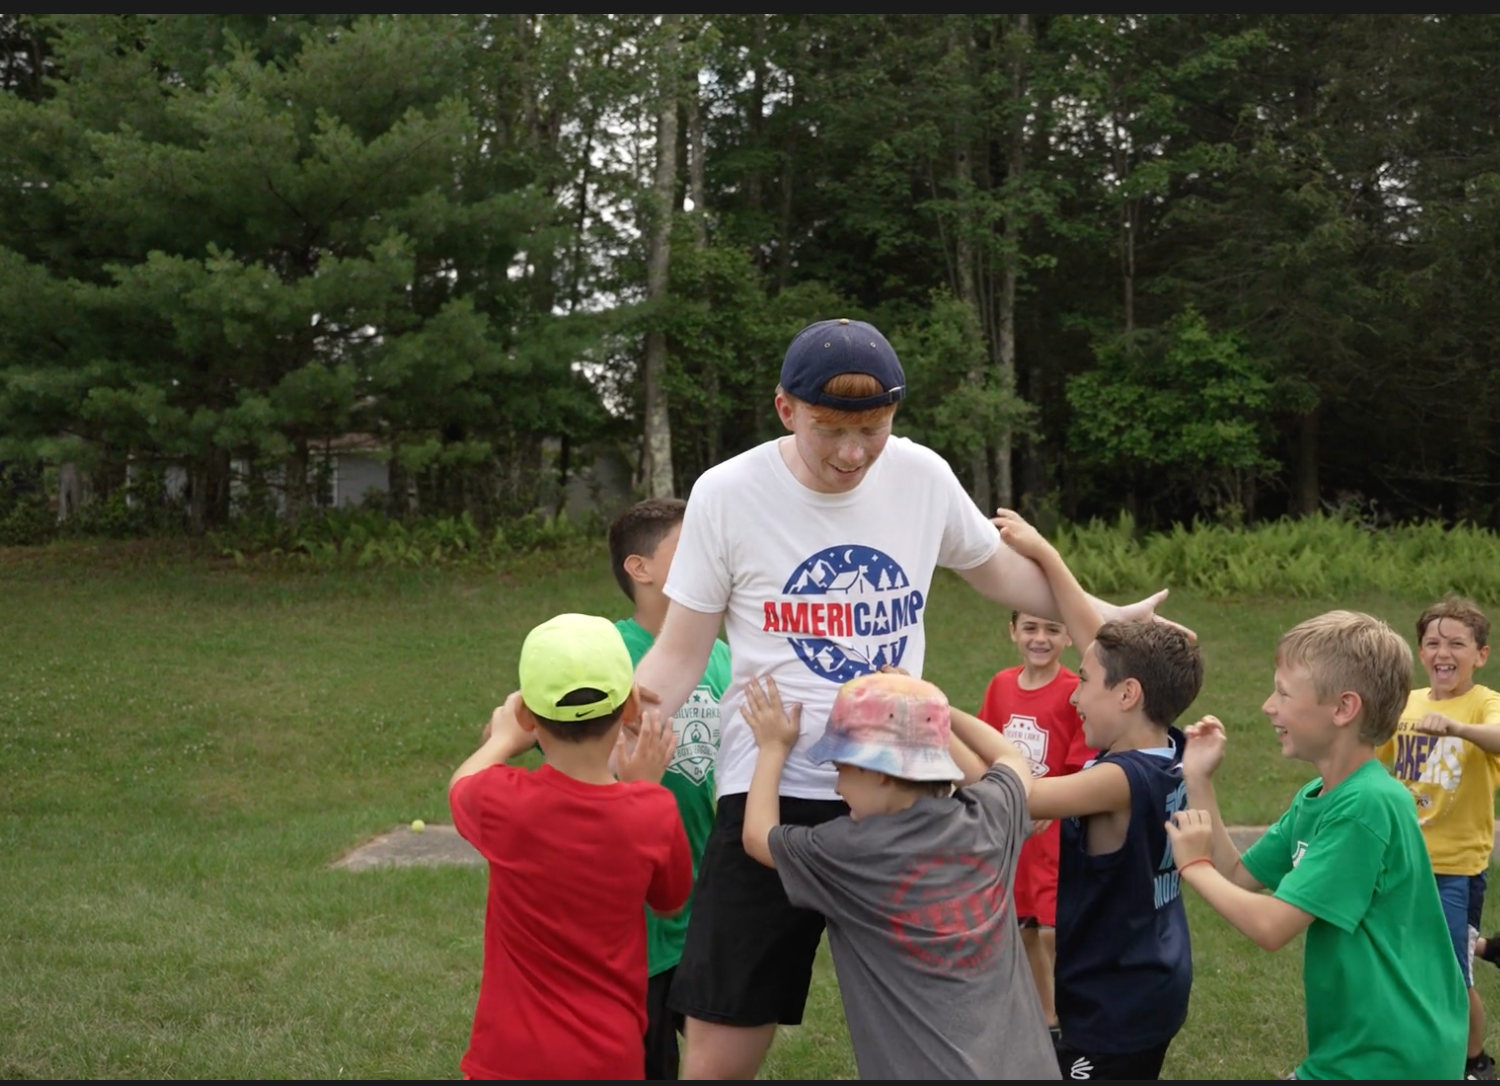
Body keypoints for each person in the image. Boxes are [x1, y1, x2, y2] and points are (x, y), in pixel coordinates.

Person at [632, 318, 1187, 1080]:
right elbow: (682, 653)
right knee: (724, 1035)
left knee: (954, 1021)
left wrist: (1105, 611)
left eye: (875, 429)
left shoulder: (920, 475)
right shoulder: (728, 493)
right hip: (773, 790)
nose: (854, 454)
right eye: (831, 430)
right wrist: (602, 720)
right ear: (785, 409)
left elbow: (1008, 578)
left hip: (911, 799)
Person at [1164, 610, 1467, 1081]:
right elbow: (1240, 875)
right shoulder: (1322, 797)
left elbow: (1272, 927)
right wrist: (1198, 778)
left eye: (1284, 693)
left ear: (1344, 708)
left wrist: (1194, 867)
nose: (1268, 705)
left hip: (1394, 1052)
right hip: (1360, 1046)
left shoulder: (1367, 805)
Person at [736, 668, 1060, 1080]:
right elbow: (1011, 759)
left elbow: (757, 838)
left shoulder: (850, 851)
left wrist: (771, 747)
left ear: (880, 771)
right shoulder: (987, 816)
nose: (837, 787)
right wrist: (935, 711)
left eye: (842, 768)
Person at [993, 511, 1202, 1080]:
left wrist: (936, 717)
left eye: (1083, 682)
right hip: (1150, 978)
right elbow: (1096, 642)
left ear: (1128, 693)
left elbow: (1019, 792)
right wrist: (1044, 552)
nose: (1075, 696)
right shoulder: (1167, 746)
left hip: (1118, 1003)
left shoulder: (1118, 778)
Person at [448, 613, 694, 1080]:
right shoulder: (651, 812)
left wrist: (503, 738)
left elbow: (463, 781)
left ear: (526, 716)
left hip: (508, 1058)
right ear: (628, 710)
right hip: (610, 1057)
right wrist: (643, 788)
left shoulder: (502, 802)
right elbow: (669, 903)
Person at [608, 498, 732, 1079]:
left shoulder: (722, 657)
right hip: (640, 913)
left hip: (707, 895)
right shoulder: (604, 654)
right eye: (688, 546)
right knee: (648, 1060)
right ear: (640, 569)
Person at [1376, 597, 1500, 1080]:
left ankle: (1475, 1062)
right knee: (1401, 962)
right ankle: (1407, 1045)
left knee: (1452, 973)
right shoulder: (1408, 702)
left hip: (1457, 869)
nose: (1443, 651)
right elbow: (1370, 751)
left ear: (1481, 654)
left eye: (1456, 643)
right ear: (1420, 651)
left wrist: (1459, 728)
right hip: (1403, 861)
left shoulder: (1484, 703)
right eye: (1432, 642)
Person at [977, 610, 1093, 1038]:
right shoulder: (1001, 685)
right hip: (1014, 831)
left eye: (1052, 629)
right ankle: (1047, 1020)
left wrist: (1055, 800)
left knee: (1053, 930)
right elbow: (987, 745)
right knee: (1023, 925)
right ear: (1012, 632)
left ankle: (1078, 1014)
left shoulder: (1074, 691)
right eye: (1030, 628)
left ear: (1068, 637)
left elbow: (1083, 759)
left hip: (1056, 832)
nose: (1040, 638)